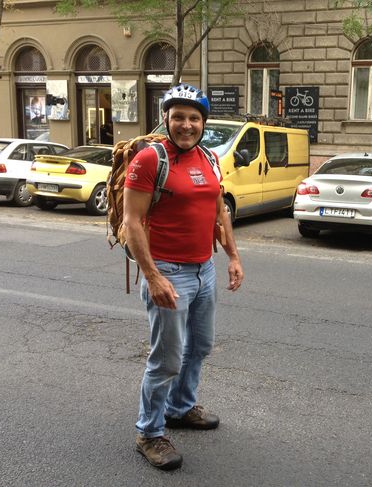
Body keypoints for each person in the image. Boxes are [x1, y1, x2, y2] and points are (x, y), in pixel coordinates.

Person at [123, 83, 244, 471]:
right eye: (179, 117)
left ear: (203, 122)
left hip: (203, 269)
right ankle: (149, 432)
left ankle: (180, 407)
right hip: (169, 271)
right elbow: (132, 222)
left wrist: (233, 256)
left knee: (200, 347)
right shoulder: (148, 159)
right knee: (166, 359)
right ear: (166, 119)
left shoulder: (209, 157)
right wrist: (154, 277)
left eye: (194, 118)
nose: (186, 125)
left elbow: (218, 210)